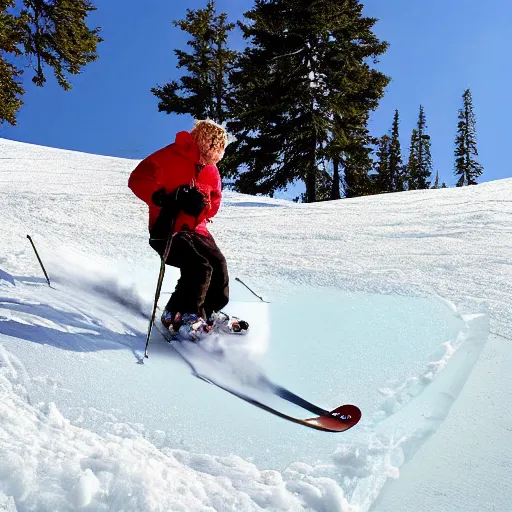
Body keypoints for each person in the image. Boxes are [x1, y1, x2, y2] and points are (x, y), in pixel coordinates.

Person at [128, 120, 248, 340]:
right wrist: (165, 197)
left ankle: (208, 311)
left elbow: (215, 200)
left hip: (197, 230)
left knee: (218, 264)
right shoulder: (169, 155)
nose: (207, 163)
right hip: (167, 228)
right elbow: (138, 179)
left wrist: (204, 205)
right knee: (198, 266)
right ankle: (184, 314)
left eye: (213, 159)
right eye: (205, 156)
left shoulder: (211, 170)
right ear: (198, 145)